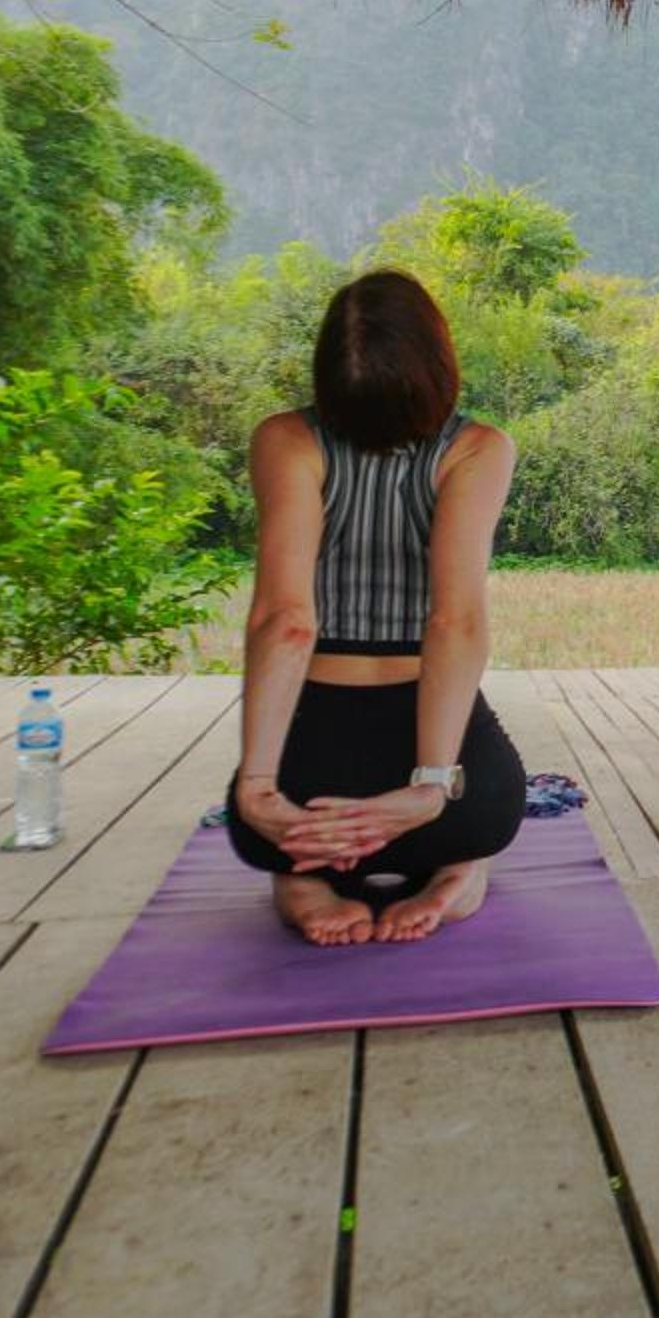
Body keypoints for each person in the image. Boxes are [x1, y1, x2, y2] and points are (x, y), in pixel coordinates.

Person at [227, 270, 524, 945]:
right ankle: (458, 872)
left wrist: (259, 789)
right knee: (480, 819)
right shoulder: (477, 449)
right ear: (438, 364)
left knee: (273, 836)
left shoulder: (285, 440)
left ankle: (302, 881)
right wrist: (429, 786)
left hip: (309, 796)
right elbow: (454, 622)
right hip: (445, 804)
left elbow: (285, 621)